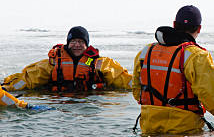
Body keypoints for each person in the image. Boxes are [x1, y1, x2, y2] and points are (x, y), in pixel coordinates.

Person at [132, 5, 214, 135]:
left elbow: (136, 90)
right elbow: (209, 93)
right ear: (199, 28)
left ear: (174, 24)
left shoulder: (146, 52)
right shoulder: (196, 56)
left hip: (149, 126)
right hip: (185, 129)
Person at [2, 26, 132, 92]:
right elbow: (28, 79)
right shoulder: (53, 62)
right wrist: (7, 88)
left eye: (81, 42)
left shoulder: (100, 63)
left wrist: (143, 87)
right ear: (68, 43)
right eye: (73, 41)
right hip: (59, 104)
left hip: (90, 105)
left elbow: (123, 79)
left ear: (87, 45)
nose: (77, 45)